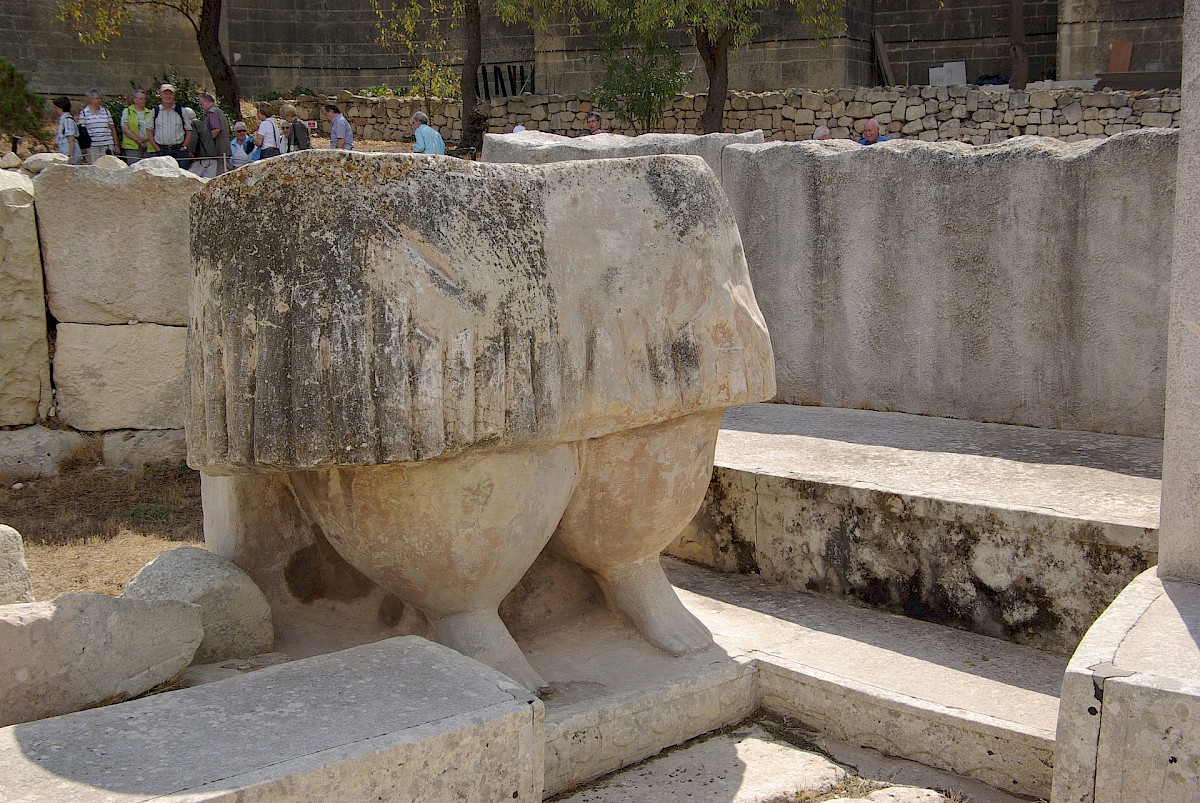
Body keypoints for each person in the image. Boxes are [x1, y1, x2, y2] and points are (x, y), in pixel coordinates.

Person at [148, 83, 191, 167]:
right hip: (162, 150)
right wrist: (157, 148)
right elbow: (150, 132)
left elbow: (188, 130)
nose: (168, 96)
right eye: (165, 94)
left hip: (179, 150)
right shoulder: (155, 111)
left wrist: (184, 147)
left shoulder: (181, 111)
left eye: (170, 94)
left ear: (174, 96)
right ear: (160, 95)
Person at [77, 88, 119, 164]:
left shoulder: (106, 111)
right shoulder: (84, 113)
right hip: (92, 145)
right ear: (90, 99)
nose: (99, 100)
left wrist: (116, 144)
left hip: (107, 144)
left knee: (108, 166)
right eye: (97, 98)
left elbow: (112, 129)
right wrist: (83, 147)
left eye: (100, 98)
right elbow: (82, 131)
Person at [197, 92, 231, 175]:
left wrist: (206, 141)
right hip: (223, 148)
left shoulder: (212, 112)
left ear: (207, 101)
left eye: (201, 104)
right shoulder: (219, 111)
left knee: (217, 175)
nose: (201, 106)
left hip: (218, 149)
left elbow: (216, 129)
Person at [119, 89, 153, 163]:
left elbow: (154, 128)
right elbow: (125, 128)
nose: (143, 101)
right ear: (134, 99)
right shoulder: (127, 111)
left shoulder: (150, 112)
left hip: (148, 145)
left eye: (145, 99)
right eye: (141, 99)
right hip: (132, 146)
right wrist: (138, 140)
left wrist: (146, 138)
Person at [53, 97, 82, 164]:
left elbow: (71, 138)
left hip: (69, 151)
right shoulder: (62, 119)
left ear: (61, 108)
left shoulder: (68, 120)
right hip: (64, 149)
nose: (55, 110)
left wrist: (71, 156)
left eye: (56, 108)